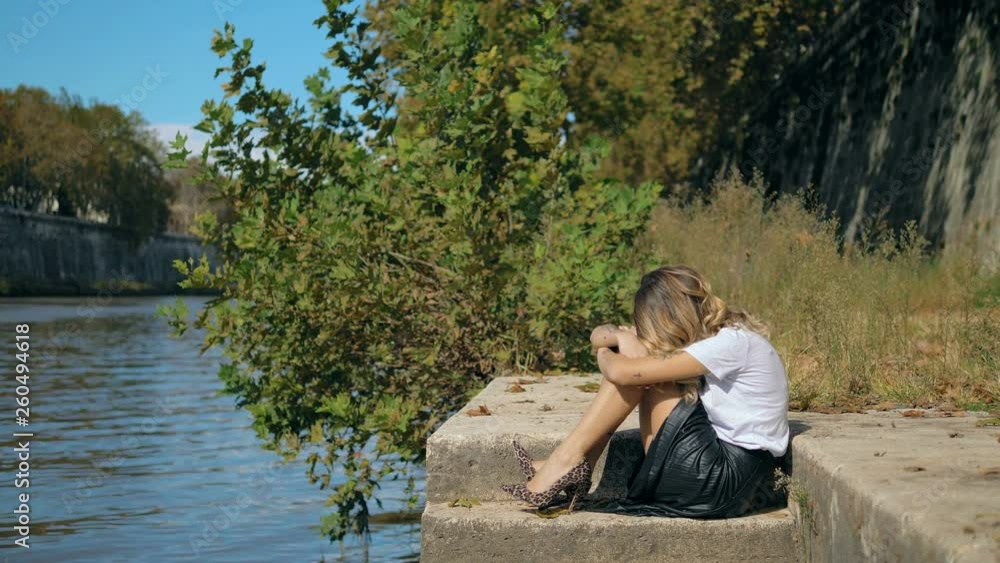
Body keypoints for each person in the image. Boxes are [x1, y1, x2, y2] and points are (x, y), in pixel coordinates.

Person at [500, 264, 790, 517]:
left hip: (722, 479)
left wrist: (610, 354)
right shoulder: (723, 339)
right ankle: (570, 465)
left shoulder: (729, 345)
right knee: (633, 363)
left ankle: (565, 464)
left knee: (636, 372)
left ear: (669, 318)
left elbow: (621, 373)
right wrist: (615, 339)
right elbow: (597, 334)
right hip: (730, 473)